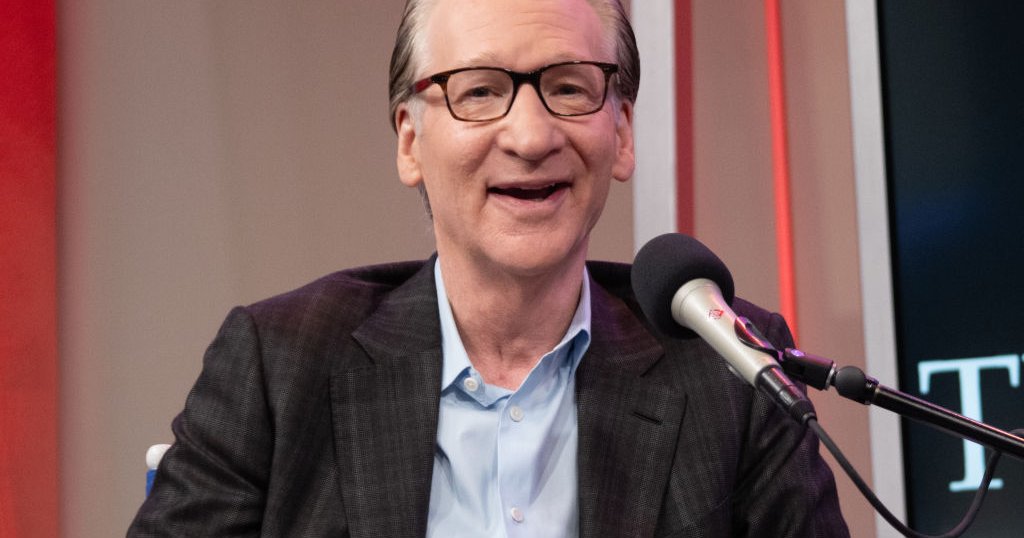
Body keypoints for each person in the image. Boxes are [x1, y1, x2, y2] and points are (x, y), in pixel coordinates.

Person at [129, 0, 849, 536]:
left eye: (569, 88)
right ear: (410, 142)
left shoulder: (729, 369)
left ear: (623, 133)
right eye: (479, 91)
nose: (531, 136)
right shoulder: (281, 366)